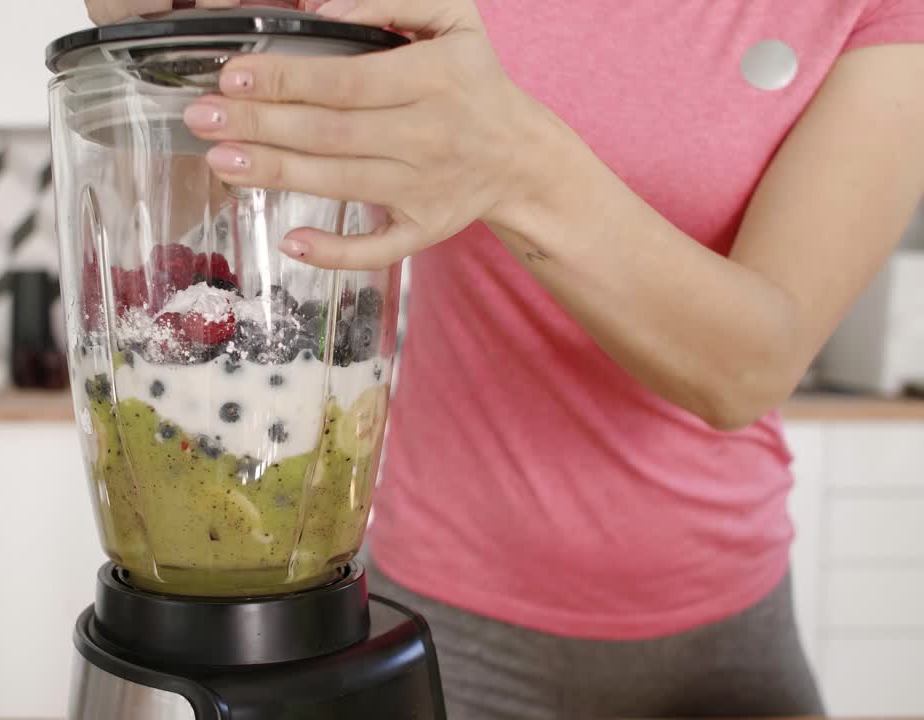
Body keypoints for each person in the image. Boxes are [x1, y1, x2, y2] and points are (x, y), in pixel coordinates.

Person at [84, 0, 924, 716]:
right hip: (435, 616)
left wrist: (516, 162)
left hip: (718, 634)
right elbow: (208, 176)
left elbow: (749, 368)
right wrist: (180, 49)